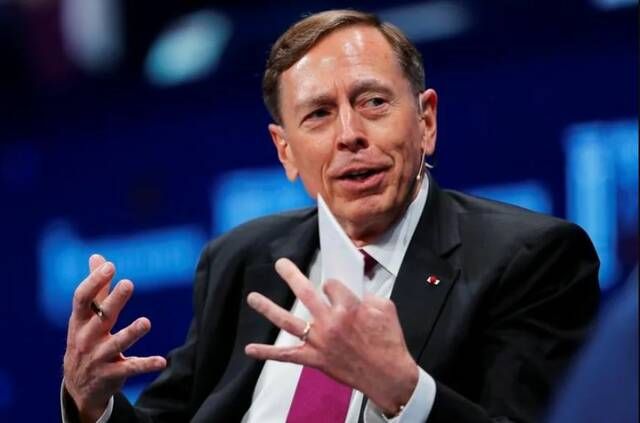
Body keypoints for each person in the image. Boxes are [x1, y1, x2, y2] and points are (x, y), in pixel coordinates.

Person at [61, 9, 600, 423]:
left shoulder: (530, 259)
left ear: (426, 121)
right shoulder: (241, 260)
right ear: (286, 151)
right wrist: (92, 405)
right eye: (318, 114)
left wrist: (404, 392)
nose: (349, 135)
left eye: (373, 102)